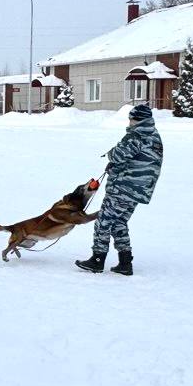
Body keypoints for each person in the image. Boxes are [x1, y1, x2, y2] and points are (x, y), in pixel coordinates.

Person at [76, 103, 163, 276]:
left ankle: (97, 260)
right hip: (138, 191)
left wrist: (111, 155)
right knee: (118, 223)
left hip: (123, 187)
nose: (129, 122)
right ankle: (125, 262)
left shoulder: (137, 136)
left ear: (137, 120)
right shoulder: (154, 136)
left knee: (103, 221)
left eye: (131, 119)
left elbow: (118, 154)